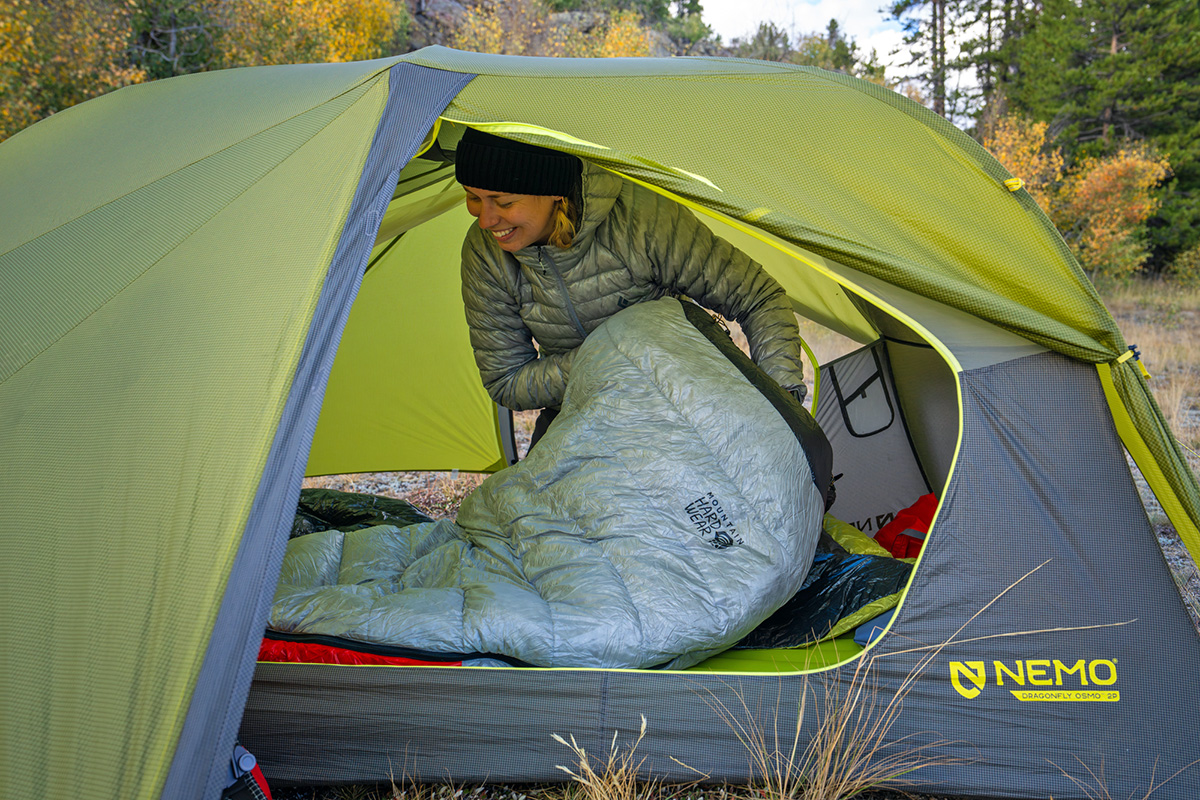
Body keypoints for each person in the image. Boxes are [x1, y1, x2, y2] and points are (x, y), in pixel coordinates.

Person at [455, 127, 808, 449]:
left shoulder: (640, 220)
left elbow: (758, 297)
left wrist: (784, 406)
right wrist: (610, 360)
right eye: (473, 198)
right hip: (579, 414)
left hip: (684, 399)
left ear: (555, 195)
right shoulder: (485, 254)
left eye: (503, 202)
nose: (486, 220)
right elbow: (506, 379)